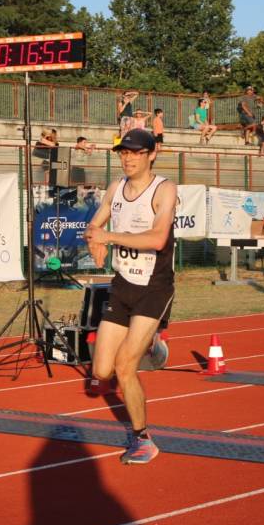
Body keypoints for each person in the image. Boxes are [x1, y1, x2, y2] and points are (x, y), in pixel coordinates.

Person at [84, 128, 176, 465]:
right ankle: (153, 343)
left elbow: (157, 239)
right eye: (124, 152)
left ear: (152, 154)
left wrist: (108, 235)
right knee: (102, 370)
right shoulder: (115, 189)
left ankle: (143, 439)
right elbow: (94, 228)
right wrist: (94, 240)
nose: (128, 158)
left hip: (154, 287)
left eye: (136, 152)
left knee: (125, 368)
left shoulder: (163, 189)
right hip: (123, 285)